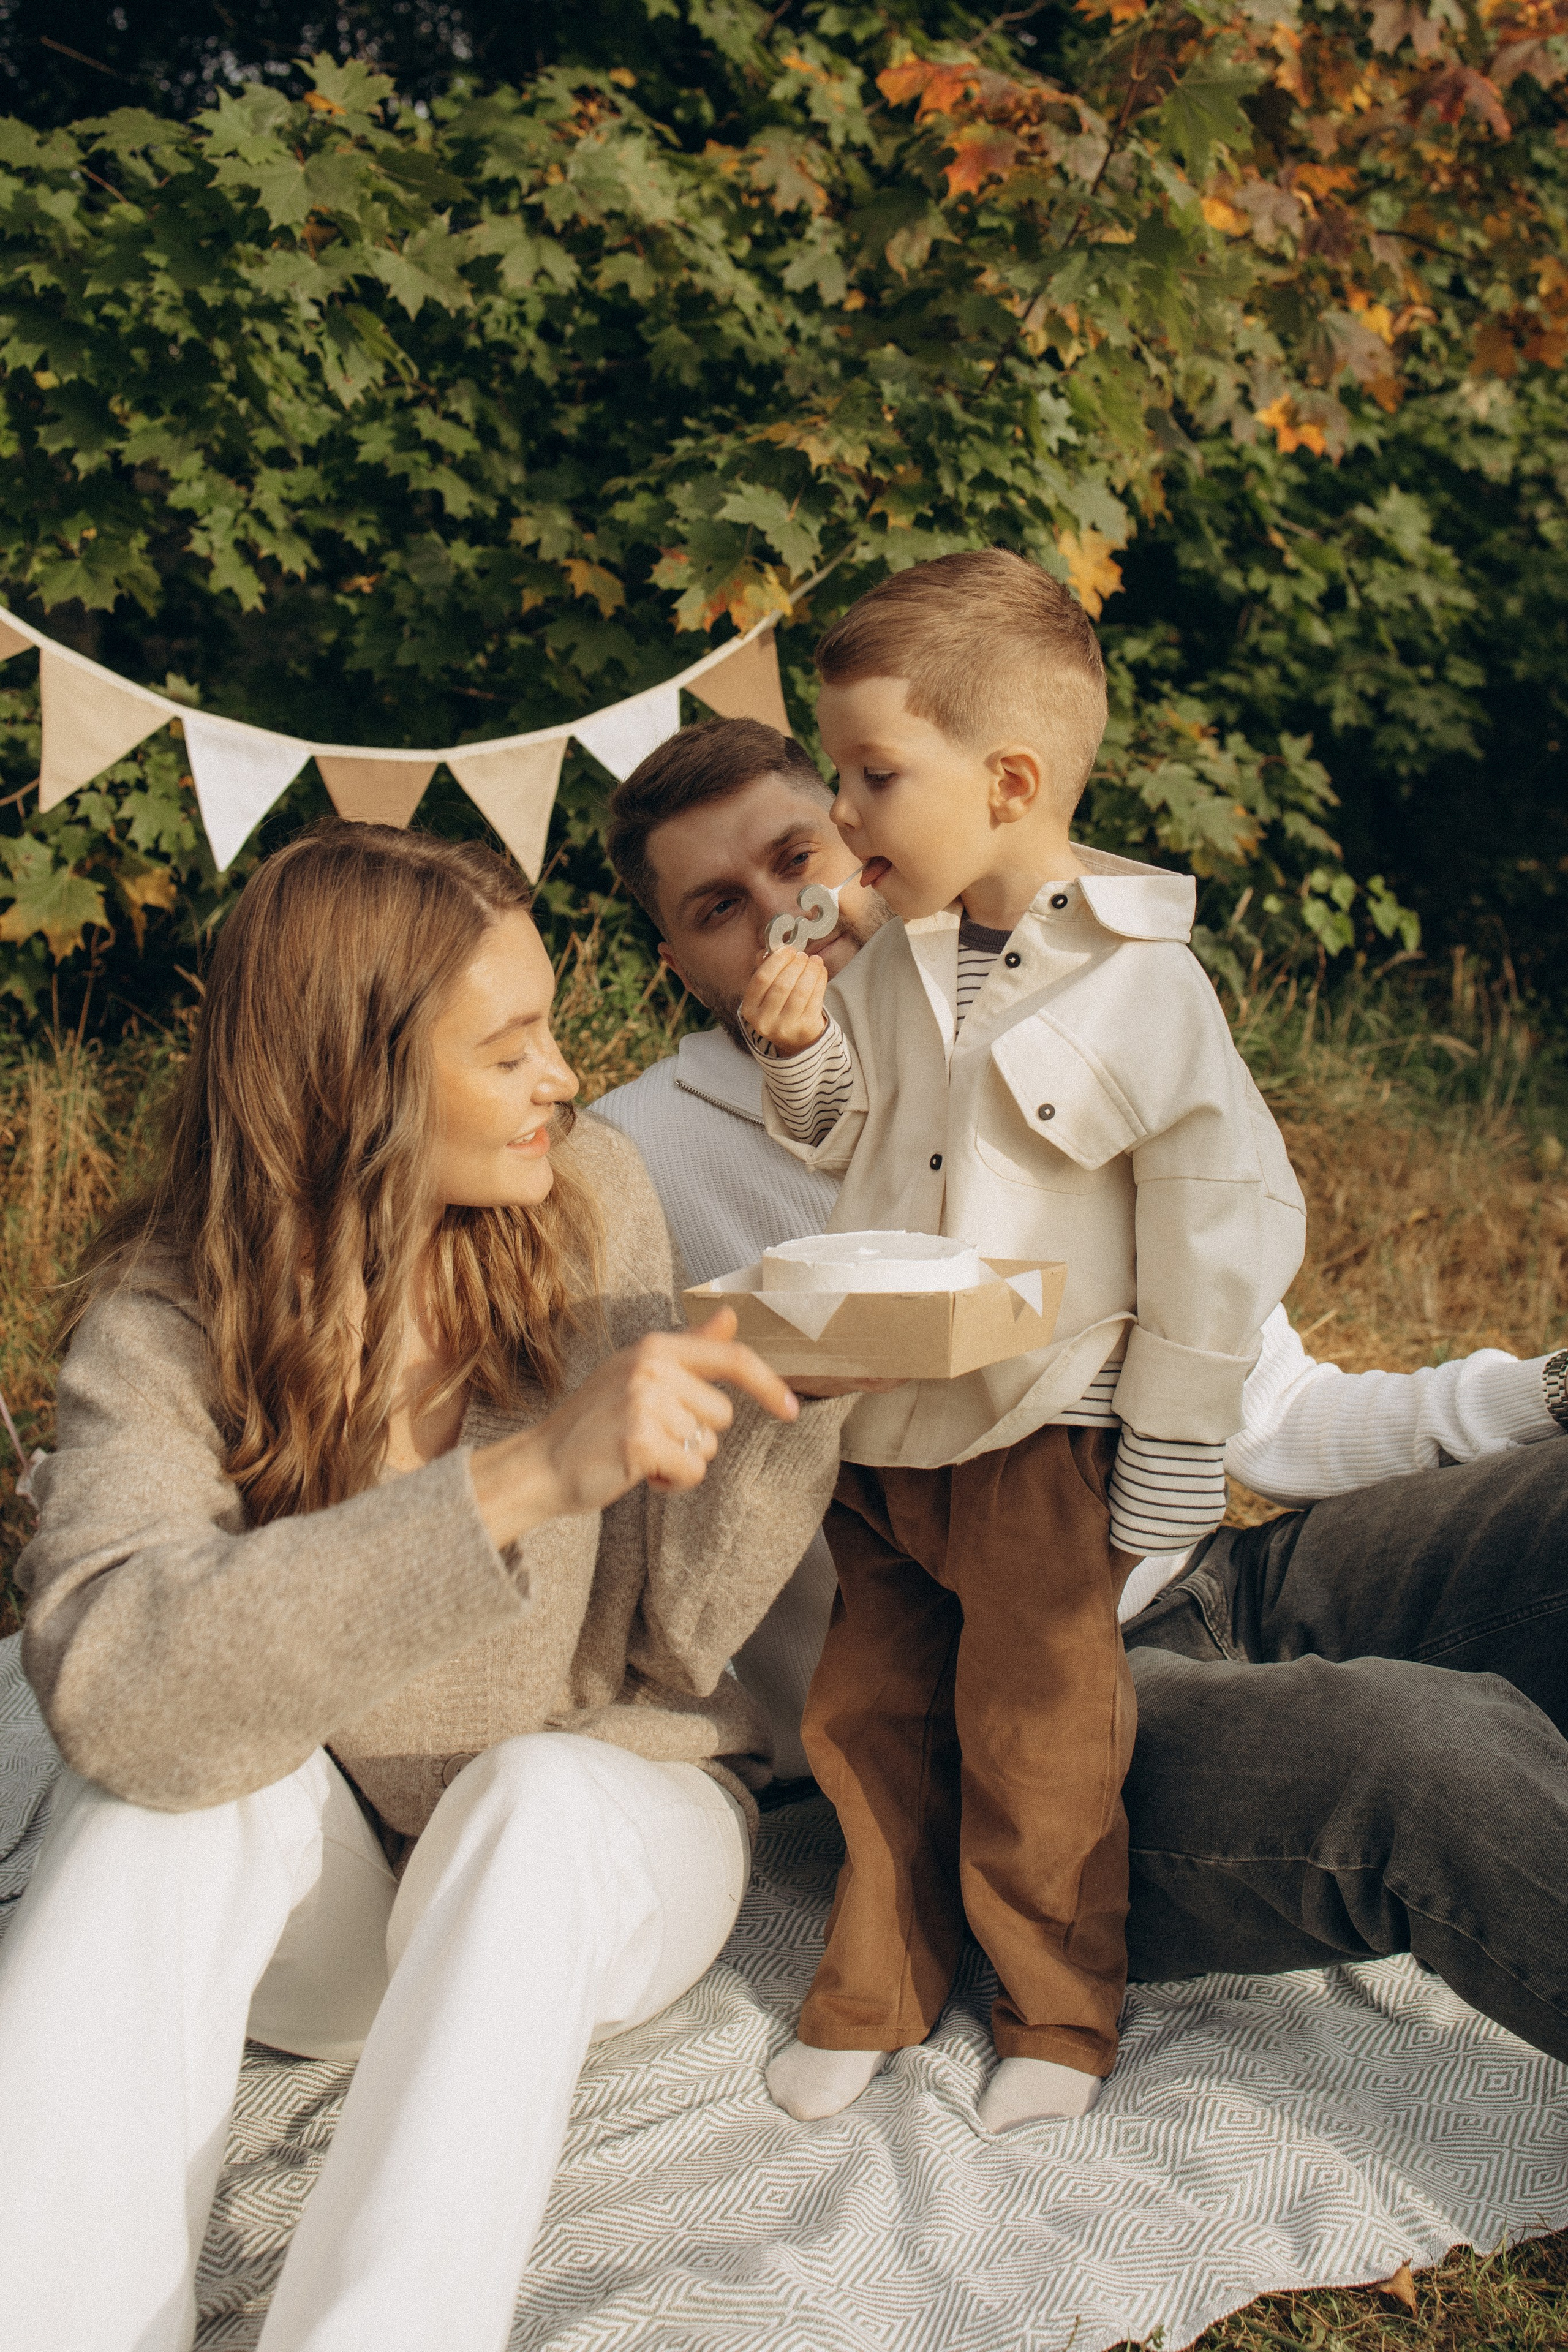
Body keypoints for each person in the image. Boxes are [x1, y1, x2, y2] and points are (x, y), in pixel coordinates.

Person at [596, 707, 1568, 2091]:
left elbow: (1271, 1411)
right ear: (676, 956)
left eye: (794, 854)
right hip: (1004, 1737)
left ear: (864, 837)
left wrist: (1540, 1392)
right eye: (714, 907)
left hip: (1204, 1575)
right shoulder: (636, 1162)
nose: (779, 917)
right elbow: (634, 1515)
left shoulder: (1065, 1014)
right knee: (1424, 1752)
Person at [0, 823, 854, 2352]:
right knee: (149, 1800)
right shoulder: (166, 1306)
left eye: (554, 1030)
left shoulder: (589, 1195)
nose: (564, 1078)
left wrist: (817, 1390)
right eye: (510, 1046)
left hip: (594, 1830)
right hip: (327, 1914)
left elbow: (678, 1638)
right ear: (361, 1078)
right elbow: (118, 1696)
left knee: (531, 1802)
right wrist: (518, 1482)